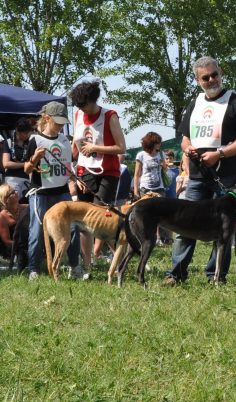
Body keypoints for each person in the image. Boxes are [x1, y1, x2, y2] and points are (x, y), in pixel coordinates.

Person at [167, 56, 236, 284]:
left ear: (220, 73)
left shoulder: (235, 101)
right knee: (185, 225)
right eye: (205, 77)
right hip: (197, 177)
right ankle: (176, 273)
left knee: (223, 231)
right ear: (198, 81)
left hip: (226, 178)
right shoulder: (195, 103)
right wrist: (188, 149)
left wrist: (220, 153)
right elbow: (185, 139)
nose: (212, 80)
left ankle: (216, 276)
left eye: (215, 74)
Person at [70, 80, 127, 270]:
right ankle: (86, 266)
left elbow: (121, 147)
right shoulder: (78, 114)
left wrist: (95, 147)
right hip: (84, 171)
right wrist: (74, 171)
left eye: (83, 105)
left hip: (107, 173)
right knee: (83, 221)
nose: (81, 109)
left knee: (99, 218)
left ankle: (120, 259)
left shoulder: (110, 116)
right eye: (78, 106)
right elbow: (75, 146)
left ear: (93, 100)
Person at [23, 102, 82, 280]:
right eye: (57, 122)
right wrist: (35, 158)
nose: (61, 126)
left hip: (62, 192)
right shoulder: (35, 140)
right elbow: (26, 169)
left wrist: (75, 179)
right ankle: (33, 269)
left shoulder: (64, 140)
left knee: (73, 229)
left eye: (63, 122)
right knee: (37, 231)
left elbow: (67, 167)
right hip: (40, 193)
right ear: (47, 118)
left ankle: (75, 266)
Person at [2, 118, 33, 199]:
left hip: (27, 180)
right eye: (25, 133)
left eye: (28, 133)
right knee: (13, 202)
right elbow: (6, 164)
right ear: (17, 131)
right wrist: (25, 164)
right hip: (12, 179)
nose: (27, 135)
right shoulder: (8, 142)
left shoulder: (30, 143)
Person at [133, 132, 167, 197]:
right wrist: (135, 192)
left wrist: (163, 165)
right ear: (151, 143)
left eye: (160, 142)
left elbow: (165, 169)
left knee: (162, 204)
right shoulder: (141, 155)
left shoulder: (161, 154)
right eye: (158, 142)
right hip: (145, 189)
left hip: (160, 189)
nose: (160, 144)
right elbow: (137, 175)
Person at [0, 184, 27, 259]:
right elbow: (7, 241)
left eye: (15, 190)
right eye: (12, 193)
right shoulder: (2, 217)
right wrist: (24, 246)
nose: (16, 192)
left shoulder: (27, 207)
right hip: (13, 252)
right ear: (5, 199)